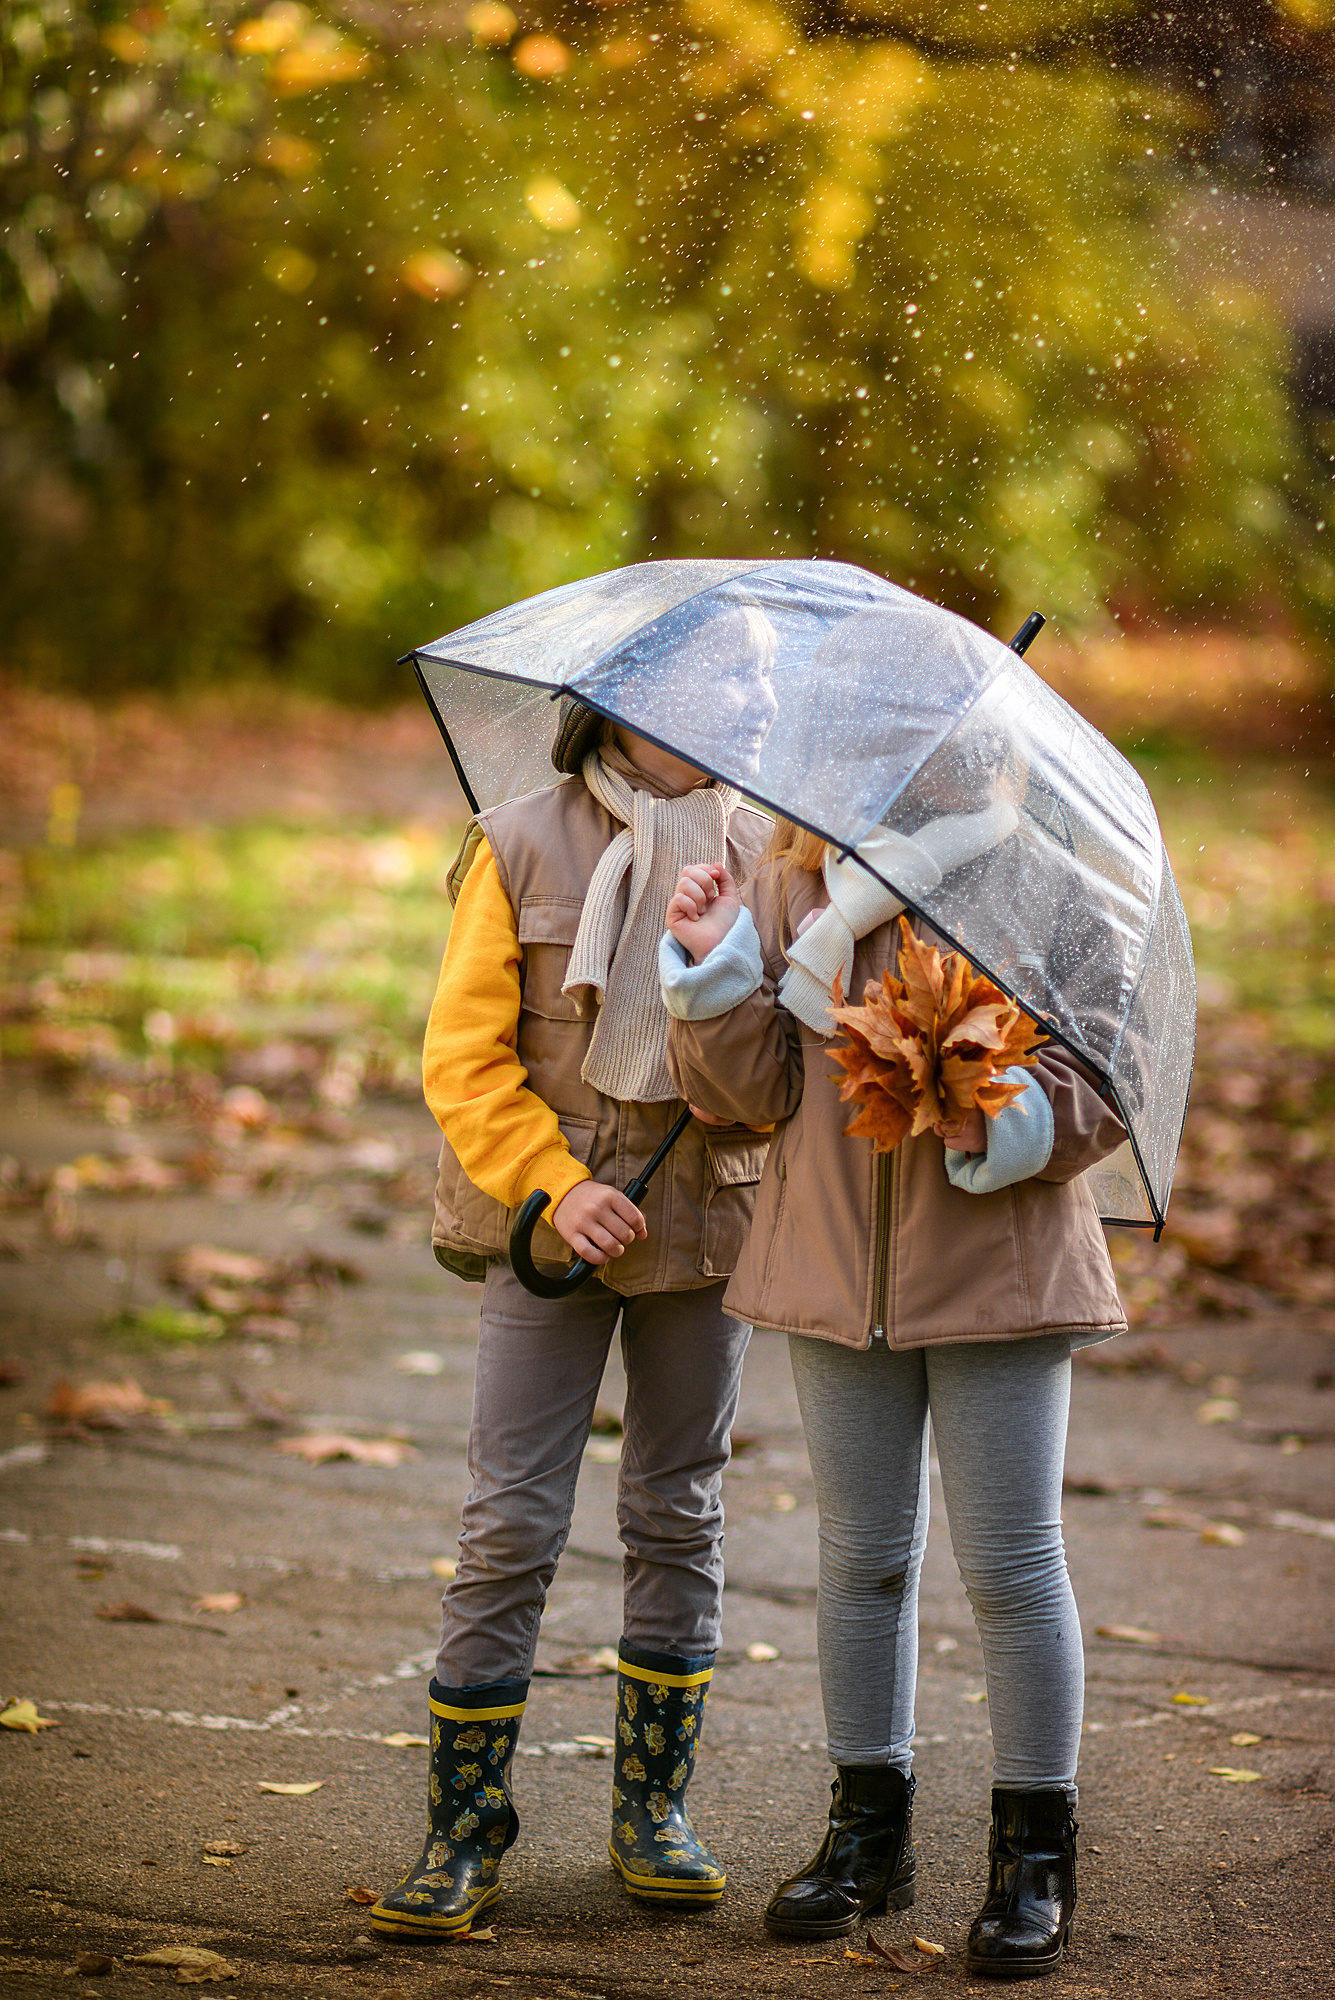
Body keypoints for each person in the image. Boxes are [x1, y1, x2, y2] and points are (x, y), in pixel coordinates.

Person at [657, 810, 1129, 1980]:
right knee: (860, 1556)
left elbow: (1107, 1072)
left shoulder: (1045, 885)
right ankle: (869, 1830)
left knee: (1012, 1563)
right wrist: (718, 963)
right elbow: (749, 1095)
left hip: (1000, 1271)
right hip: (831, 1264)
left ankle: (1034, 1855)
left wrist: (982, 1095)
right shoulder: (789, 880)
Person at [370, 616, 777, 1942]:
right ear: (620, 705)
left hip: (703, 1230)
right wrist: (552, 1181)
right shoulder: (516, 841)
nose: (732, 717)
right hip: (548, 1233)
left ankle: (650, 1805)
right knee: (508, 1523)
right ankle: (463, 1821)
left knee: (677, 1512)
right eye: (710, 691)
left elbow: (778, 1067)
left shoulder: (768, 854)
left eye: (746, 699)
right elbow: (464, 1057)